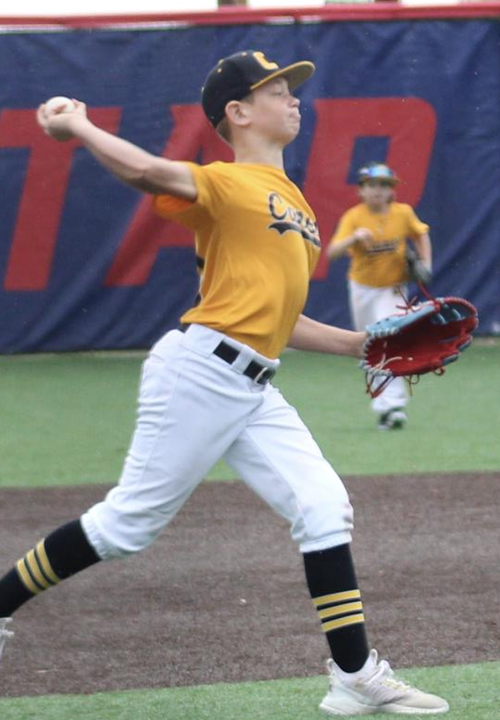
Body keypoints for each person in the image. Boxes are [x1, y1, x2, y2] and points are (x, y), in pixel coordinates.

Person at [0, 51, 447, 716]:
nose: (293, 98)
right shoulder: (226, 181)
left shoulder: (296, 204)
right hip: (201, 372)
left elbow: (283, 317)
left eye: (291, 89)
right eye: (276, 90)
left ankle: (354, 676)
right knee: (126, 527)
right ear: (237, 112)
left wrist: (362, 346)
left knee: (324, 507)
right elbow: (147, 171)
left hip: (255, 386)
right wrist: (80, 125)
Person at [326, 162, 432, 430]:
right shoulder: (354, 217)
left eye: (384, 185)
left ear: (391, 191)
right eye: (372, 185)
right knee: (369, 347)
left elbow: (421, 234)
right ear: (361, 190)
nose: (378, 190)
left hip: (393, 289)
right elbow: (332, 253)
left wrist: (425, 263)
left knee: (388, 342)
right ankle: (384, 406)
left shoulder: (403, 213)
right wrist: (353, 238)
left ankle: (394, 405)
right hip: (362, 289)